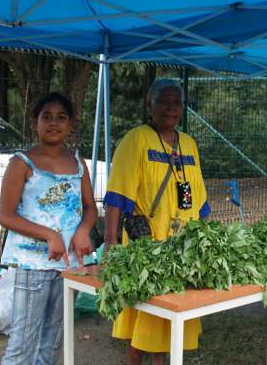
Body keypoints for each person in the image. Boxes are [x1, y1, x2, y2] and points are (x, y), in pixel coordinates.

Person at [103, 78, 210, 365]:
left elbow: (198, 196)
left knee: (171, 319)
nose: (171, 108)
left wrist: (207, 237)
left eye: (177, 103)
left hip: (183, 247)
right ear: (149, 104)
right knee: (144, 323)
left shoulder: (188, 143)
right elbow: (117, 193)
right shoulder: (136, 138)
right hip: (147, 245)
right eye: (164, 101)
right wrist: (110, 242)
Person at [0, 92, 97, 364]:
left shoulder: (78, 163)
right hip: (33, 263)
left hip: (69, 265)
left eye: (61, 117)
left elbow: (90, 208)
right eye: (47, 117)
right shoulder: (21, 163)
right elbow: (6, 216)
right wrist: (49, 234)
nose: (54, 123)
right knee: (22, 344)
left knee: (52, 342)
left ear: (71, 124)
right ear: (35, 122)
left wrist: (83, 231)